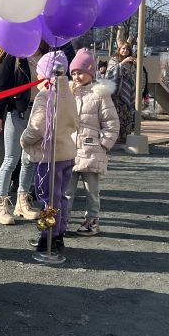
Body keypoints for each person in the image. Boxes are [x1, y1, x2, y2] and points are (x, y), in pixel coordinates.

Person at [20, 51, 78, 252]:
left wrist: (24, 140)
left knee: (47, 199)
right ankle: (59, 233)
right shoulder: (68, 95)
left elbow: (37, 126)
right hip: (67, 152)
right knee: (60, 196)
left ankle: (47, 237)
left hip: (48, 156)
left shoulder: (45, 95)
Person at [64, 49, 118, 237]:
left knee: (91, 191)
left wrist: (103, 144)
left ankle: (92, 221)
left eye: (80, 72)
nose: (77, 77)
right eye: (73, 73)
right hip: (70, 150)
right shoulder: (69, 93)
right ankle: (62, 220)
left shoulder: (100, 94)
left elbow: (111, 123)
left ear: (91, 72)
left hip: (92, 150)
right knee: (66, 190)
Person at [0, 43, 41, 225]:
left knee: (29, 159)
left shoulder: (47, 55)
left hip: (38, 114)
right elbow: (2, 86)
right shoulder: (15, 57)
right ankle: (1, 206)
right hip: (17, 112)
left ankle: (22, 202)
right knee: (11, 159)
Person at [104, 42, 142, 144]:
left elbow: (135, 76)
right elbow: (110, 74)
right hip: (116, 94)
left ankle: (125, 137)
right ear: (119, 49)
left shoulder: (131, 63)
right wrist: (122, 63)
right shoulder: (114, 60)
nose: (125, 51)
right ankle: (115, 138)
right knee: (117, 116)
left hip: (128, 92)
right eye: (123, 49)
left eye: (127, 49)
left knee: (127, 115)